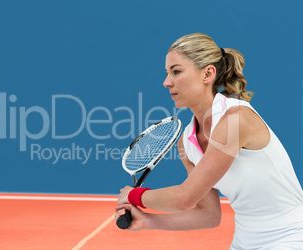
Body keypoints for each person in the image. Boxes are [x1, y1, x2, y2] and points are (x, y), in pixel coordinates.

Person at [115, 33, 303, 249]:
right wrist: (148, 221)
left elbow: (183, 198)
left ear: (208, 74)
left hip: (292, 236)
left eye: (176, 71)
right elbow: (209, 214)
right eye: (167, 73)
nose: (166, 82)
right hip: (244, 241)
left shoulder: (235, 120)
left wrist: (134, 195)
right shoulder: (186, 142)